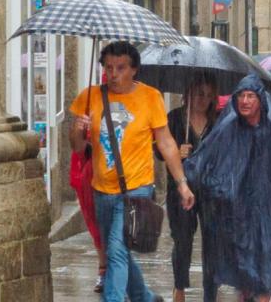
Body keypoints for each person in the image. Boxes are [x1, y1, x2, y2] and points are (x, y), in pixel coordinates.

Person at [69, 41, 192, 302]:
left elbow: (166, 143)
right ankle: (144, 297)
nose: (113, 74)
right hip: (102, 190)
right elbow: (78, 147)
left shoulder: (150, 97)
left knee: (116, 250)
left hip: (137, 188)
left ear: (134, 69)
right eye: (109, 67)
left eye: (121, 68)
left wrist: (182, 183)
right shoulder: (89, 97)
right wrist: (78, 129)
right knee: (117, 251)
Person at [183, 74, 271, 302]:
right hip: (237, 214)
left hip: (269, 212)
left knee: (266, 268)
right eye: (241, 96)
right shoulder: (227, 130)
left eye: (250, 96)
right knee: (244, 268)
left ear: (260, 99)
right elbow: (205, 158)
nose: (245, 101)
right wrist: (188, 176)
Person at [159, 75, 218, 302]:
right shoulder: (174, 118)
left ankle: (210, 291)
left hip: (210, 190)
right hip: (180, 190)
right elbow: (158, 150)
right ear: (189, 93)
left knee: (212, 241)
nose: (203, 99)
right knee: (182, 238)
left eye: (208, 95)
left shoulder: (218, 121)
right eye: (199, 94)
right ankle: (180, 286)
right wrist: (176, 152)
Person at [68, 144, 106, 293]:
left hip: (113, 165)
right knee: (96, 227)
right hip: (88, 168)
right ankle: (104, 269)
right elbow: (76, 140)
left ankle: (115, 271)